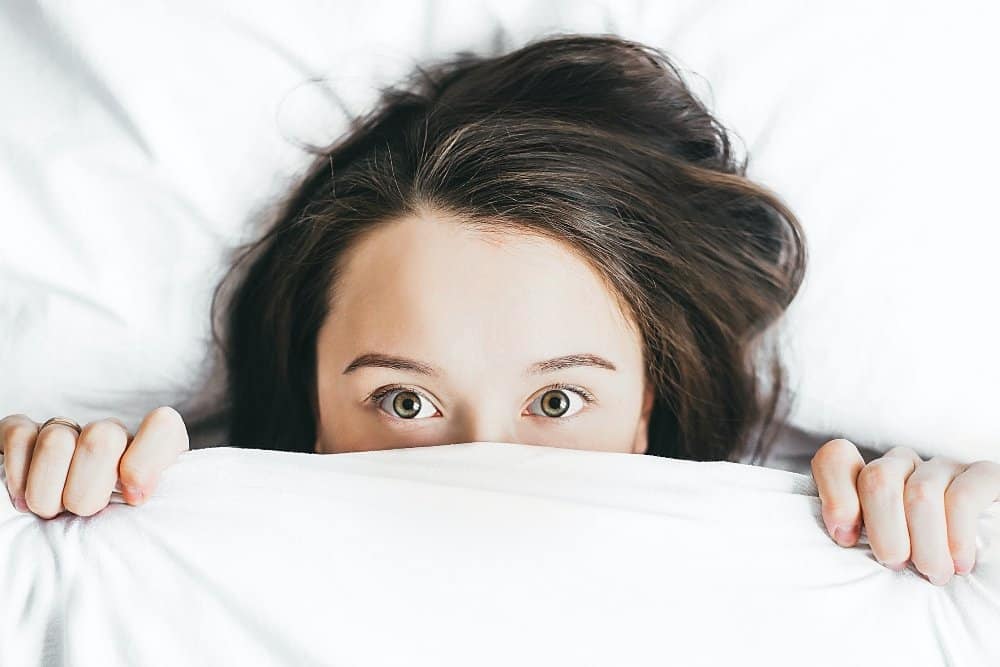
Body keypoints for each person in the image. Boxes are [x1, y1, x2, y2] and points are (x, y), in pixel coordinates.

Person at [1, 33, 996, 588]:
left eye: (558, 401)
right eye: (402, 400)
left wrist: (959, 532)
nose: (482, 467)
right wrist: (43, 504)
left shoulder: (823, 565)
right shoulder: (161, 565)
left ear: (654, 402)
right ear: (304, 399)